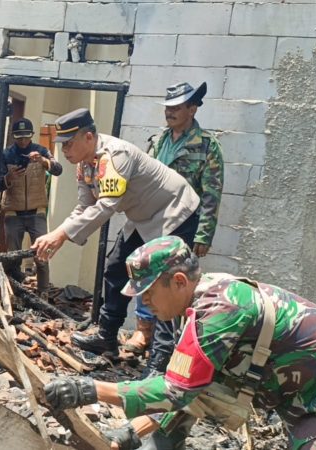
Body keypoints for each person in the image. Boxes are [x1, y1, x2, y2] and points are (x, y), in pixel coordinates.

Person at [44, 236, 316, 450]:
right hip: (299, 396)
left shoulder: (222, 309)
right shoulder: (191, 310)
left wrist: (89, 388)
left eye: (148, 294)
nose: (144, 305)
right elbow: (193, 390)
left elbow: (176, 392)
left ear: (178, 281)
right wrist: (131, 433)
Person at [30, 108, 200, 374]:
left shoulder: (114, 156)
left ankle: (160, 360)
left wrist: (61, 235)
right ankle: (106, 337)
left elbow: (106, 207)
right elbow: (84, 207)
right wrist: (58, 233)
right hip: (143, 216)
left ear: (88, 137)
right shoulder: (85, 165)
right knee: (116, 267)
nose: (64, 151)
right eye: (62, 145)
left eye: (69, 143)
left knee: (162, 282)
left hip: (174, 212)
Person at [123, 82, 225, 357]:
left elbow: (212, 194)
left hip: (183, 223)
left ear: (192, 109)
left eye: (176, 108)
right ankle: (144, 330)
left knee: (170, 282)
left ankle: (167, 347)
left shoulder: (206, 146)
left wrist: (204, 234)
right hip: (152, 220)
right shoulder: (158, 141)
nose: (169, 113)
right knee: (144, 274)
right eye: (167, 108)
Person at [0, 118, 63, 294]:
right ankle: (13, 295)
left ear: (31, 136)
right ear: (13, 136)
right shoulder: (6, 155)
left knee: (42, 257)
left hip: (37, 212)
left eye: (26, 137)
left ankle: (43, 295)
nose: (22, 141)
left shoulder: (41, 151)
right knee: (12, 259)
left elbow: (58, 169)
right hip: (13, 212)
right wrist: (8, 178)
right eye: (19, 137)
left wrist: (42, 161)